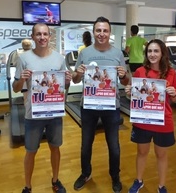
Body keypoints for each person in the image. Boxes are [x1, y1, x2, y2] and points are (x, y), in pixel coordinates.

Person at [72, 16, 130, 193]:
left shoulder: (118, 54)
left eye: (105, 30)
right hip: (89, 105)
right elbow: (74, 79)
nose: (101, 34)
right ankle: (85, 173)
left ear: (109, 33)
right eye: (98, 30)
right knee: (86, 144)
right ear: (94, 32)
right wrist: (78, 73)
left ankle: (115, 175)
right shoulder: (84, 52)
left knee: (113, 145)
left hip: (111, 106)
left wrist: (123, 75)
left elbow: (128, 81)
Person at [12, 23, 72, 193]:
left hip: (54, 113)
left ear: (50, 36)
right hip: (33, 114)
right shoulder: (23, 58)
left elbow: (64, 88)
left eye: (45, 34)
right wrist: (22, 79)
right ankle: (28, 186)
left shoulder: (60, 59)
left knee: (55, 147)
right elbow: (16, 88)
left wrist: (67, 81)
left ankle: (55, 180)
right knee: (31, 151)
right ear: (33, 37)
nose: (42, 37)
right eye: (38, 34)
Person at [125, 39, 176, 193]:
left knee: (161, 154)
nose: (152, 54)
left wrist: (174, 93)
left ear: (162, 53)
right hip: (142, 120)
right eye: (149, 51)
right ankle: (139, 181)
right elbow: (135, 96)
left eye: (156, 51)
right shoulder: (140, 72)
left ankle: (161, 186)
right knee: (142, 152)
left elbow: (175, 99)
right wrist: (129, 93)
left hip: (163, 121)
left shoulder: (171, 73)